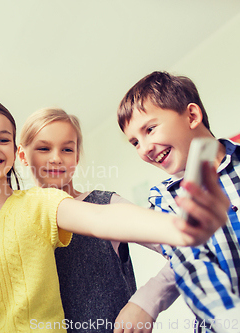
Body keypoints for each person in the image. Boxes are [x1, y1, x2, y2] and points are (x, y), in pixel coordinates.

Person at [0, 97, 228, 333]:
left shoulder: (45, 204)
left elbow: (105, 219)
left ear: (14, 151)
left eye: (2, 140)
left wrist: (184, 227)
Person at [19, 107, 166, 333]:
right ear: (23, 156)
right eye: (44, 148)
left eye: (67, 149)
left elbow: (183, 247)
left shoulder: (106, 204)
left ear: (77, 156)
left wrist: (146, 302)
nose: (56, 158)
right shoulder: (18, 221)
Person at [117, 71, 240, 333]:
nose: (144, 148)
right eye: (135, 142)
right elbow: (192, 266)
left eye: (150, 129)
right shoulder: (165, 198)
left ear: (192, 116)